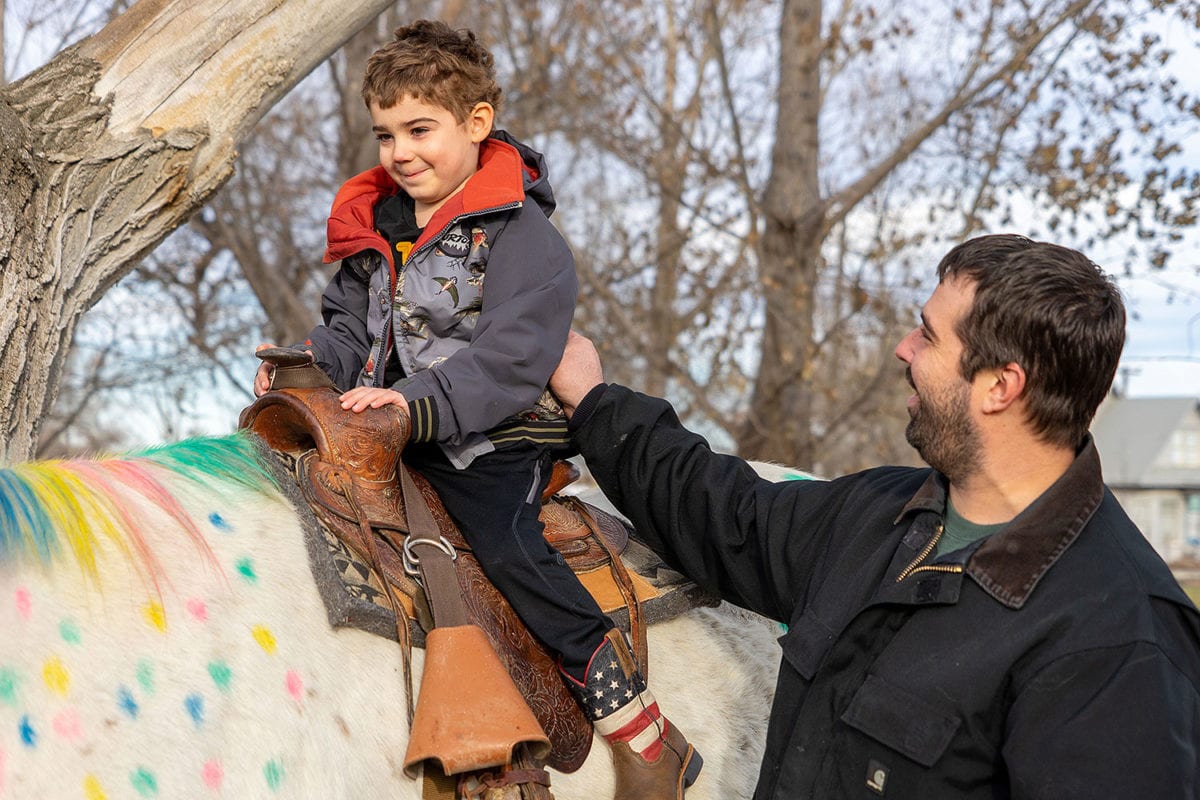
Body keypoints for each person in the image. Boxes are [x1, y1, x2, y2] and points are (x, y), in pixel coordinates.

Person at [549, 234, 1200, 799]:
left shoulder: (1119, 643)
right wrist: (593, 399)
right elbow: (723, 511)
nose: (902, 349)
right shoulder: (878, 515)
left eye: (928, 335)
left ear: (1001, 387)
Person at [252, 20, 700, 799]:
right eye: (385, 133)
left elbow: (509, 359)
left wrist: (413, 404)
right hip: (393, 431)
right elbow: (350, 327)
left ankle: (644, 732)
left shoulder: (523, 237)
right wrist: (308, 362)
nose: (400, 152)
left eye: (421, 129)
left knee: (506, 548)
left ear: (477, 124)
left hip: (492, 438)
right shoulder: (377, 231)